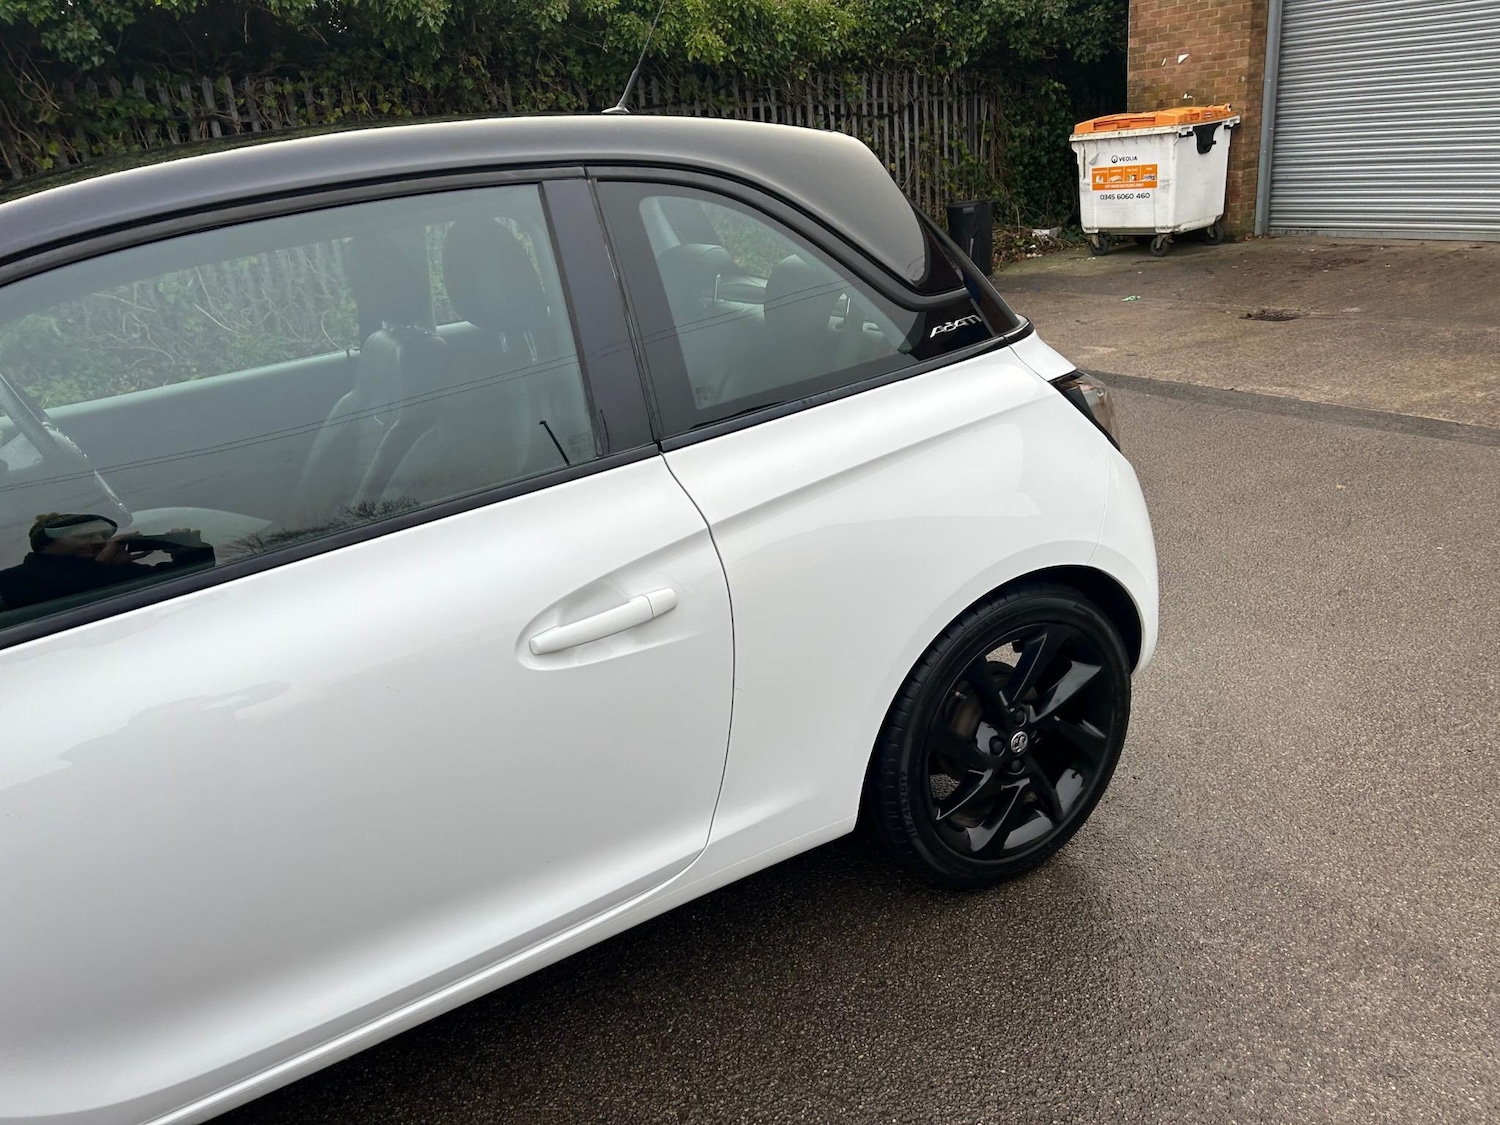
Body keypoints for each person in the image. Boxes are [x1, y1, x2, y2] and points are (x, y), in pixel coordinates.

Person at [0, 512, 215, 611]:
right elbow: (64, 597)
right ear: (45, 546)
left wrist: (189, 553)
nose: (99, 542)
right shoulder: (13, 580)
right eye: (83, 537)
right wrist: (99, 566)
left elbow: (179, 585)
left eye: (104, 536)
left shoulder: (115, 569)